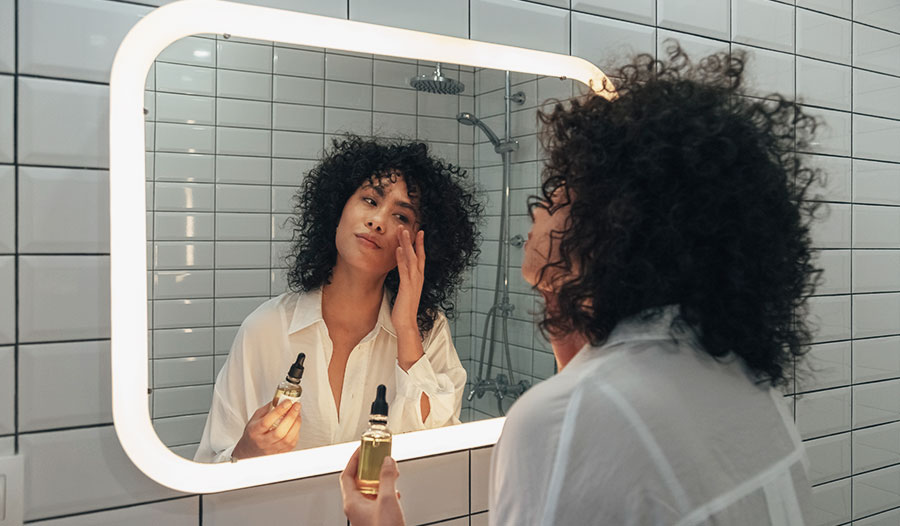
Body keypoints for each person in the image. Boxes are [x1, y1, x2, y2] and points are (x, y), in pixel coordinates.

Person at [341, 45, 821, 525]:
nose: (536, 209)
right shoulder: (745, 383)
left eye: (558, 193)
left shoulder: (568, 419)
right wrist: (562, 307)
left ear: (615, 224)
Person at [194, 136, 481, 462]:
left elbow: (442, 452)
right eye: (371, 201)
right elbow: (209, 464)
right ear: (338, 208)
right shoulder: (266, 327)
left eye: (401, 217)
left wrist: (406, 330)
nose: (378, 221)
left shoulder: (427, 330)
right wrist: (247, 451)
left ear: (419, 243)